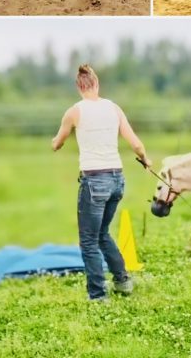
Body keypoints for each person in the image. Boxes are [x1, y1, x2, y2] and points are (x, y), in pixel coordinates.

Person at [51, 63, 148, 302]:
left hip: (94, 181)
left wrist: (54, 142)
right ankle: (123, 281)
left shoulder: (74, 112)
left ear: (79, 87)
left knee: (89, 241)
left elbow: (58, 143)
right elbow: (136, 144)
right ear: (97, 84)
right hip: (117, 179)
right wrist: (145, 159)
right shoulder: (114, 108)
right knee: (102, 233)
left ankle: (97, 295)